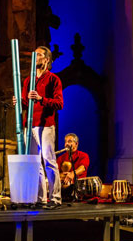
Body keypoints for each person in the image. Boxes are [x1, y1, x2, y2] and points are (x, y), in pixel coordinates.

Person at [14, 46, 64, 209]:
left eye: (39, 55)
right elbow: (25, 102)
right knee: (35, 163)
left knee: (49, 161)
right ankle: (40, 197)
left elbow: (59, 103)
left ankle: (55, 197)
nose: (35, 57)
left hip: (46, 125)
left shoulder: (53, 79)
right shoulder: (29, 80)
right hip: (30, 125)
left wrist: (42, 98)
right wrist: (18, 102)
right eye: (34, 55)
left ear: (47, 59)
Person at [57, 133, 90, 201]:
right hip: (63, 188)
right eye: (65, 142)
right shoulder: (61, 158)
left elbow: (83, 168)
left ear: (76, 144)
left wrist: (72, 174)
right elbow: (56, 172)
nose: (66, 144)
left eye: (69, 141)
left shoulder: (83, 156)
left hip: (79, 188)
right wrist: (62, 176)